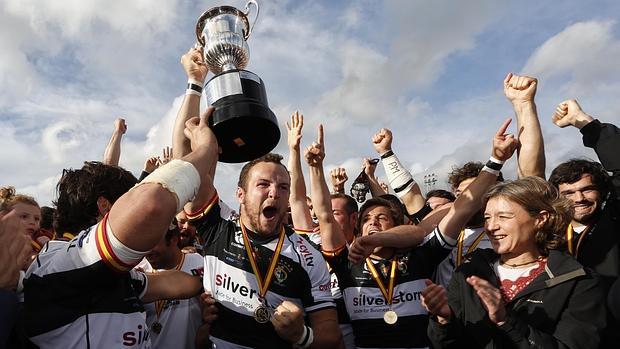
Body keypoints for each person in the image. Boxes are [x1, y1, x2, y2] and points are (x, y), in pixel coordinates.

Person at [176, 47, 342, 348]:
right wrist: (195, 84)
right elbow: (182, 161)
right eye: (263, 184)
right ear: (240, 194)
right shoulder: (218, 226)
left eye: (282, 187)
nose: (274, 192)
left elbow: (332, 338)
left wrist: (300, 335)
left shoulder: (308, 256)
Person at [21, 112, 217, 348]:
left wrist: (218, 279)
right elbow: (151, 204)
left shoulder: (98, 270)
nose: (129, 209)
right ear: (105, 208)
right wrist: (206, 148)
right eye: (125, 201)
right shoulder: (69, 261)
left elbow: (171, 284)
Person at [423, 176, 607, 348]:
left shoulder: (578, 281)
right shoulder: (468, 272)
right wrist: (443, 320)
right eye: (487, 217)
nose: (491, 226)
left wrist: (506, 320)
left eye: (503, 216)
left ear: (541, 219)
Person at [548, 98, 620, 346]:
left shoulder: (613, 219)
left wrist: (585, 124)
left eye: (587, 189)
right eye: (568, 193)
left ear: (600, 191)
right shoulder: (548, 235)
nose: (579, 198)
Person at [144, 223, 204, 349]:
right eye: (145, 243)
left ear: (174, 240)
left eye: (152, 243)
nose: (147, 251)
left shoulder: (199, 264)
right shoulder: (139, 270)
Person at [0, 186, 41, 256]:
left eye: (36, 219)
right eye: (24, 217)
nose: (32, 222)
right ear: (3, 217)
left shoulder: (39, 245)